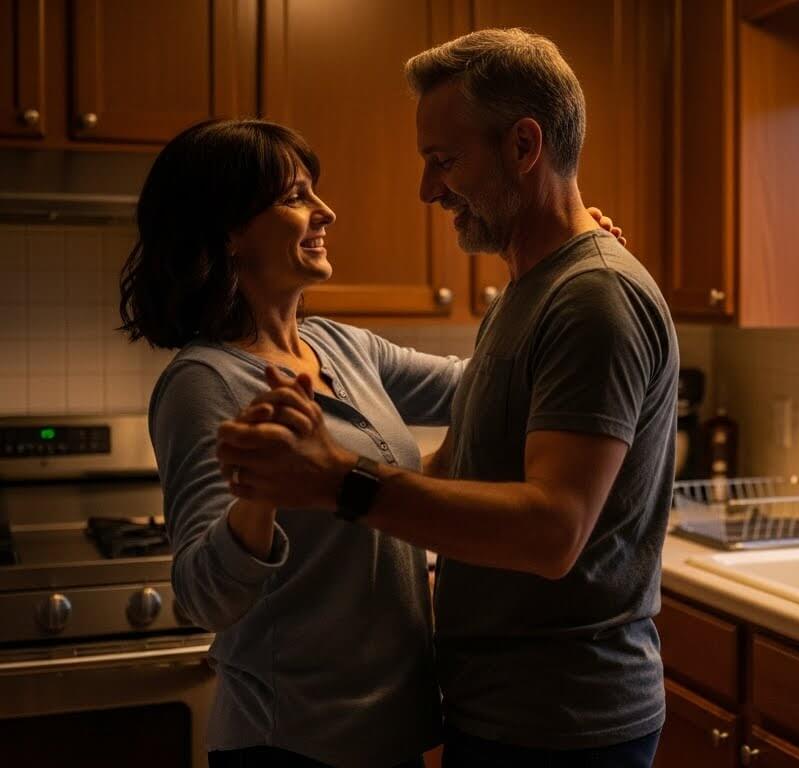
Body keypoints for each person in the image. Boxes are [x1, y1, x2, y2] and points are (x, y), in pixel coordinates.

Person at [215, 29, 678, 768]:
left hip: (563, 725)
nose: (428, 190)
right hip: (501, 708)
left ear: (523, 146)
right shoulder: (529, 290)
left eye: (444, 161)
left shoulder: (593, 296)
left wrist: (339, 479)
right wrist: (312, 494)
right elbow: (460, 470)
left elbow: (552, 532)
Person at [120, 118, 623, 768]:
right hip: (292, 741)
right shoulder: (204, 382)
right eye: (295, 196)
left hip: (392, 732)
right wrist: (260, 497)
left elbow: (492, 385)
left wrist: (556, 272)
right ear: (228, 232)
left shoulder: (340, 345)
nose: (325, 211)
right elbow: (202, 597)